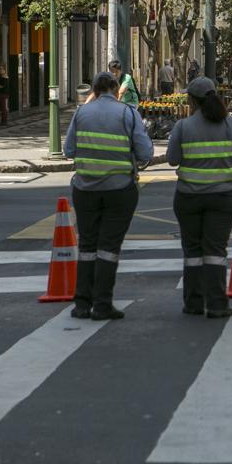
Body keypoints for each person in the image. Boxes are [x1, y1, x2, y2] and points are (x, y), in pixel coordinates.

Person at [63, 71, 153, 321]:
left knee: (87, 246)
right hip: (119, 190)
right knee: (109, 248)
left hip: (85, 189)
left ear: (94, 90)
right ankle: (102, 304)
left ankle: (82, 304)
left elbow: (68, 150)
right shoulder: (127, 113)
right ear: (115, 89)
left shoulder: (81, 113)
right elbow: (145, 153)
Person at [157, 77, 232, 319]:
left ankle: (193, 302)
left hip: (188, 197)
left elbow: (172, 160)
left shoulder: (183, 126)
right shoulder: (230, 124)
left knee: (192, 251)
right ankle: (217, 304)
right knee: (215, 250)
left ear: (192, 100)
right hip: (222, 197)